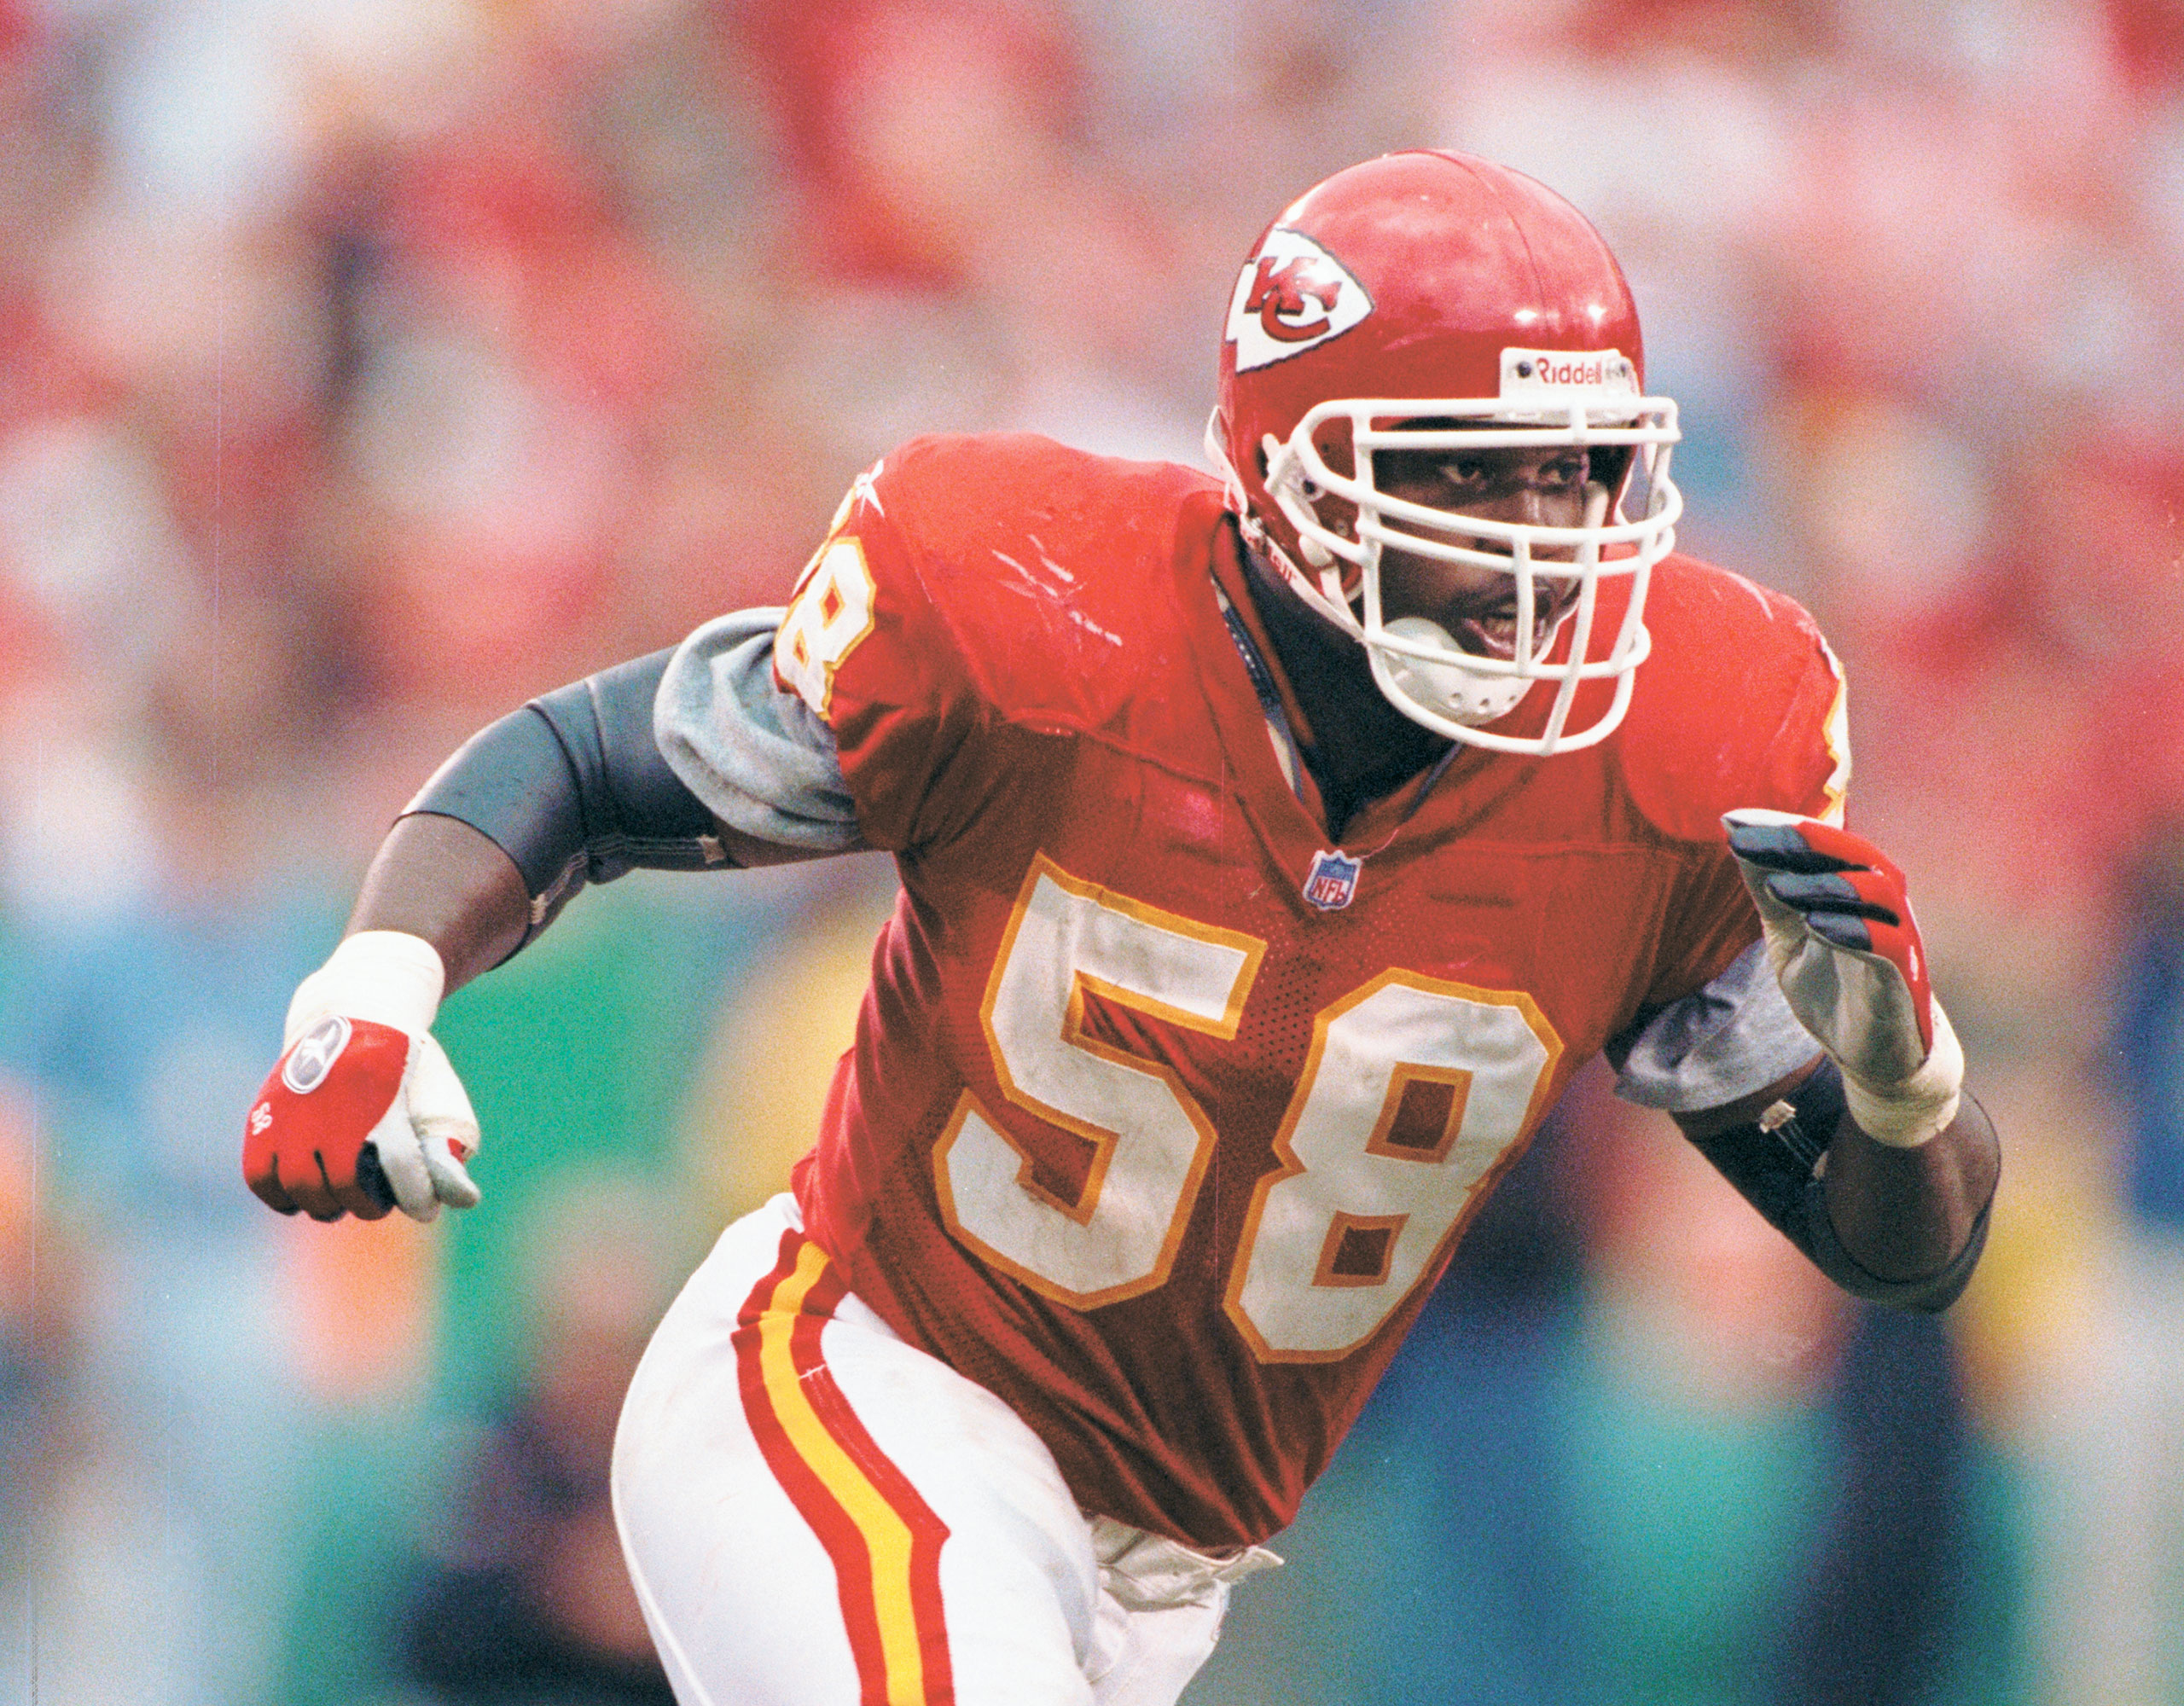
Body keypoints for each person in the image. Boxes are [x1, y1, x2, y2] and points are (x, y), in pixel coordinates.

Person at [241, 150, 2000, 1706]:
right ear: (1294, 471)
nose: (1543, 542)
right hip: (865, 1389)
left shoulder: (1682, 745)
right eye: (1475, 475)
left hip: (1160, 1574)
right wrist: (376, 986)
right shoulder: (1035, 613)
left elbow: (1903, 1253)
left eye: (1579, 472)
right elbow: (590, 763)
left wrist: (1902, 1084)